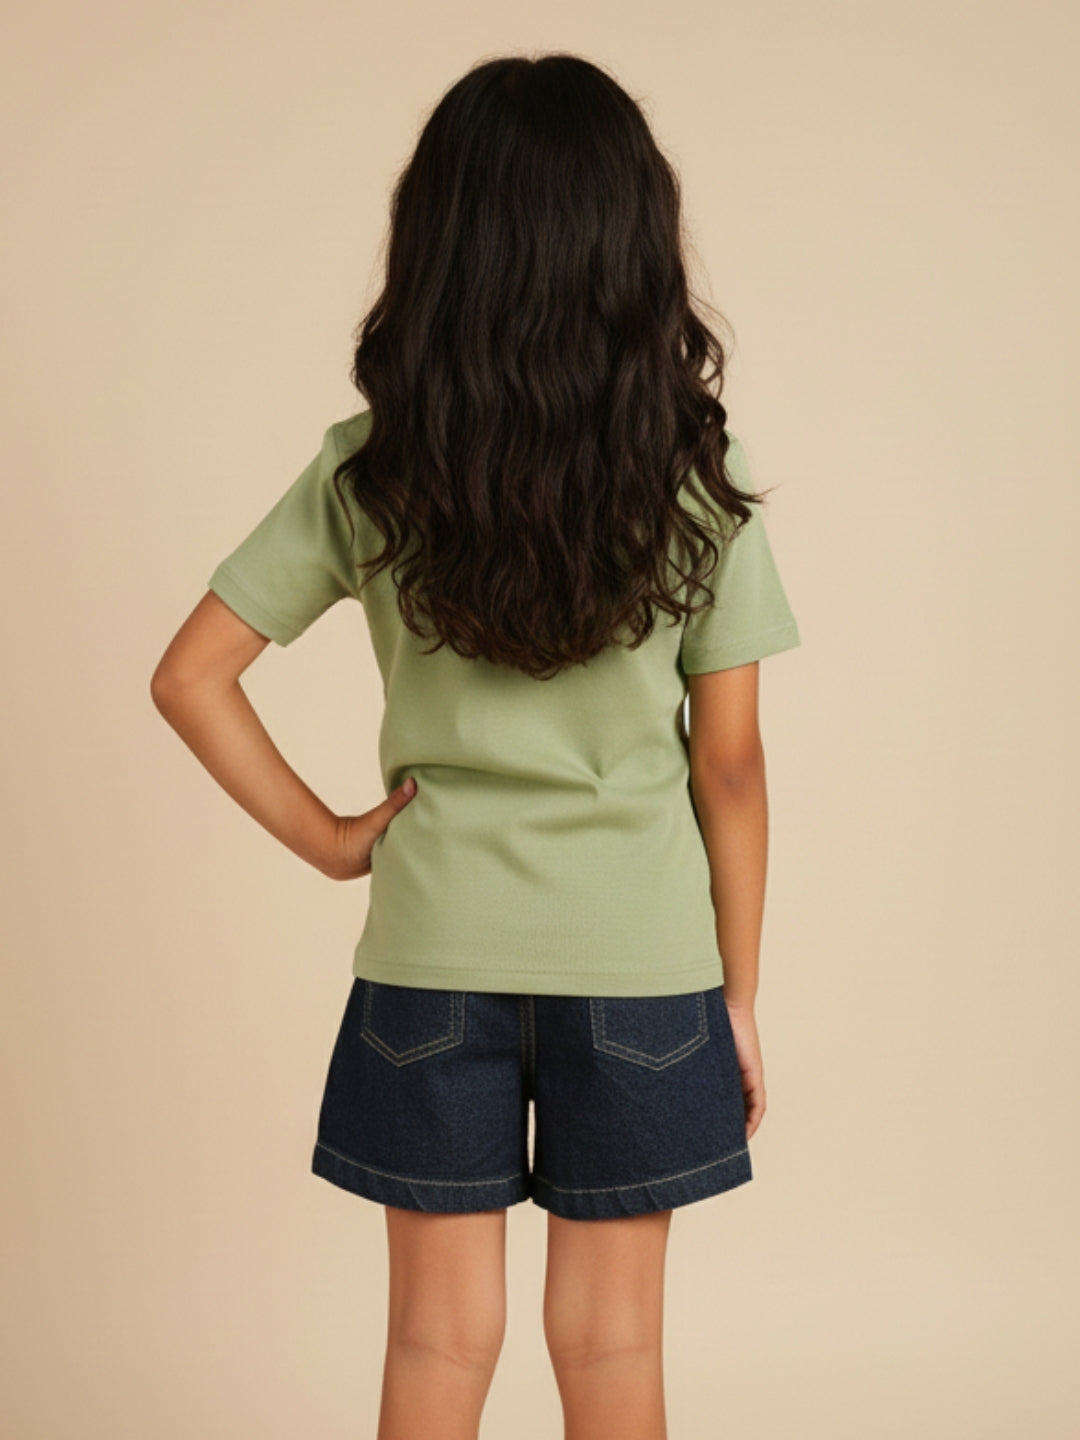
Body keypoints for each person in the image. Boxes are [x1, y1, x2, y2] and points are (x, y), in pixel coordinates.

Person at [150, 51, 801, 1440]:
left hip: (430, 956)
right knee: (614, 1348)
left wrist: (334, 841)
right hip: (641, 967)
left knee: (436, 1345)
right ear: (635, 244)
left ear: (437, 243)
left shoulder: (374, 466)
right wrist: (737, 996)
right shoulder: (700, 475)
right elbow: (731, 766)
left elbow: (191, 677)